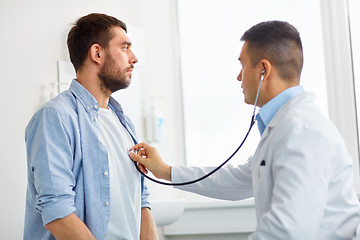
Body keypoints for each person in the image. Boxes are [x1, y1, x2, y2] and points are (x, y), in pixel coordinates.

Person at [129, 21, 360, 239]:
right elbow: (237, 179)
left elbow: (287, 230)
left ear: (263, 70)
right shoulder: (284, 127)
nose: (238, 76)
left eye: (242, 64)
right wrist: (167, 171)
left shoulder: (302, 130)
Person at [24, 13, 158, 240]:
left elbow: (141, 200)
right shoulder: (55, 117)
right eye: (125, 48)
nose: (134, 58)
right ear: (97, 53)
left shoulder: (125, 122)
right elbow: (58, 213)